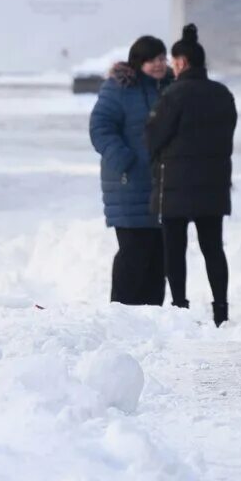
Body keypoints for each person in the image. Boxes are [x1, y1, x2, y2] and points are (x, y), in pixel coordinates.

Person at [145, 24, 238, 327]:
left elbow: (154, 138)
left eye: (173, 62)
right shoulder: (223, 94)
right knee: (213, 248)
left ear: (181, 62)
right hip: (213, 185)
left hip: (176, 187)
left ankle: (180, 306)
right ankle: (221, 310)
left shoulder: (173, 95)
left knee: (176, 249)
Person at [90, 36, 173, 306]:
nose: (159, 64)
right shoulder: (118, 88)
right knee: (134, 249)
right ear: (138, 62)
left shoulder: (169, 87)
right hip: (128, 183)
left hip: (162, 184)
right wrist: (125, 160)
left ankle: (152, 311)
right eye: (153, 60)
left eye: (162, 58)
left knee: (158, 252)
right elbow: (100, 128)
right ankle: (122, 309)